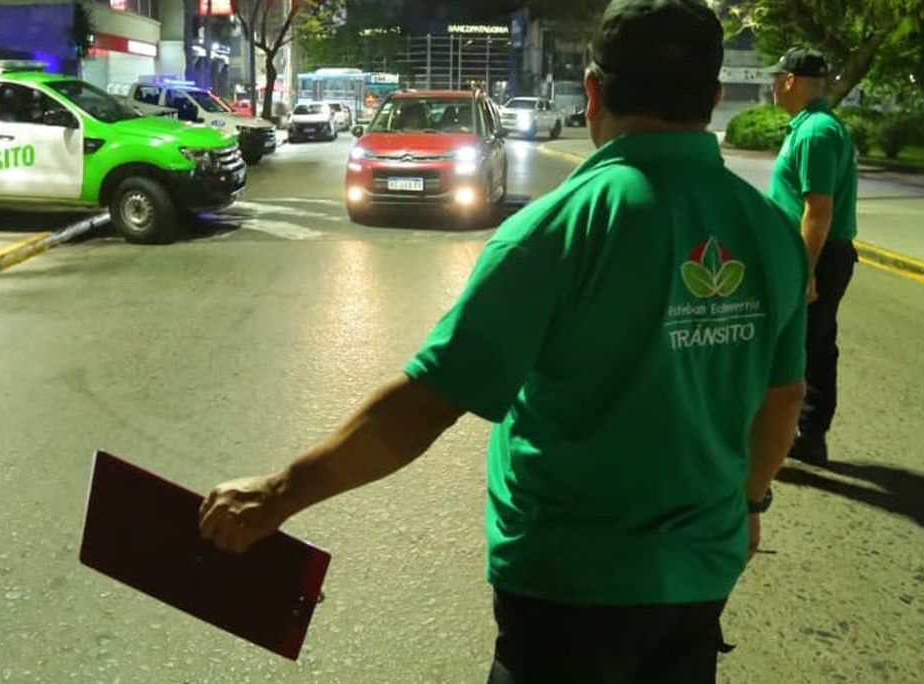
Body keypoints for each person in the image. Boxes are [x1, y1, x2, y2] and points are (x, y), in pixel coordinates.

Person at [198, 1, 808, 681]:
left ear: (595, 90)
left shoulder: (559, 230)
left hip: (566, 590)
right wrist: (748, 504)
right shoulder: (770, 231)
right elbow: (782, 404)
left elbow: (423, 407)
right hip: (700, 579)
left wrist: (279, 494)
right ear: (715, 98)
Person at [766, 47, 859, 467]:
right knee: (814, 344)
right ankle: (807, 437)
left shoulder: (816, 132)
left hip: (816, 256)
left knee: (798, 347)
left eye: (775, 78)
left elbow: (818, 210)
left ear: (789, 81)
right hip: (814, 254)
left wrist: (804, 271)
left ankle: (793, 438)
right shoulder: (809, 127)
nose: (771, 86)